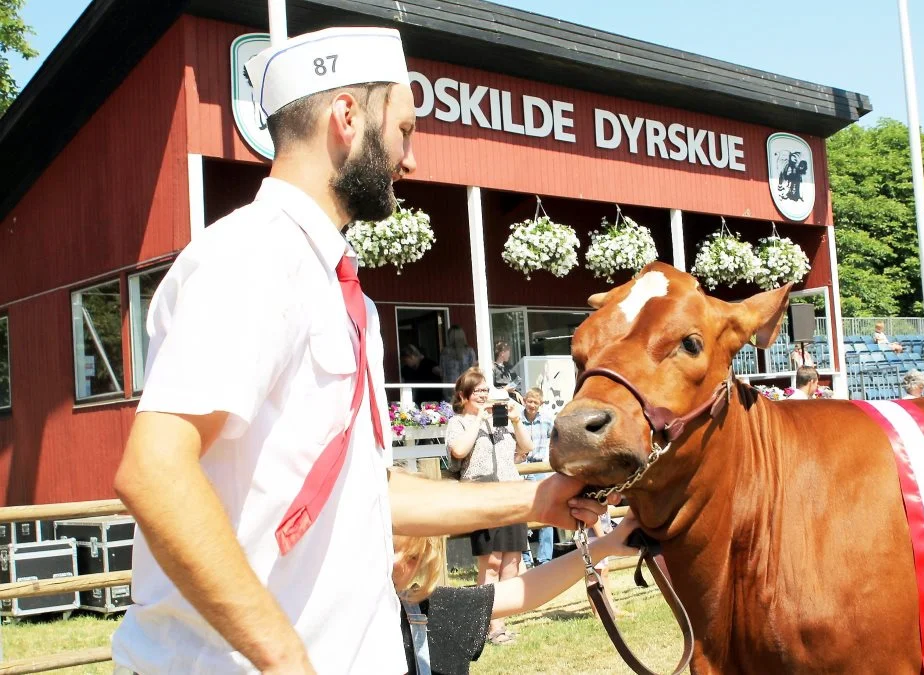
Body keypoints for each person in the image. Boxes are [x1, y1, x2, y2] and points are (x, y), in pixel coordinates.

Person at [109, 28, 611, 675]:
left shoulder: (348, 299)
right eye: (404, 129)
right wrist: (284, 656)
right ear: (347, 117)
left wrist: (535, 499)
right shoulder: (252, 256)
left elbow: (370, 495)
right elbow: (155, 471)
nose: (410, 158)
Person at [391, 513, 640, 675]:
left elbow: (524, 592)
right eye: (387, 547)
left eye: (412, 557)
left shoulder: (429, 610)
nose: (394, 562)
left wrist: (605, 545)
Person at [445, 368, 533, 645]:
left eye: (486, 390)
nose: (484, 395)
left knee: (512, 562)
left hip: (510, 492)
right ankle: (489, 625)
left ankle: (499, 624)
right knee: (491, 561)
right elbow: (458, 452)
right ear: (464, 395)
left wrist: (517, 422)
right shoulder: (458, 422)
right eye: (479, 391)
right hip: (483, 494)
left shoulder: (502, 420)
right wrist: (477, 421)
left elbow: (526, 448)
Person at [517, 388, 555, 569]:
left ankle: (545, 557)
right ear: (524, 400)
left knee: (546, 511)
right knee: (522, 512)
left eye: (535, 402)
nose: (531, 405)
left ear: (541, 404)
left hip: (539, 466)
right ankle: (525, 557)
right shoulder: (516, 419)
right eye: (529, 401)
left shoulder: (547, 420)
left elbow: (556, 438)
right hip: (521, 468)